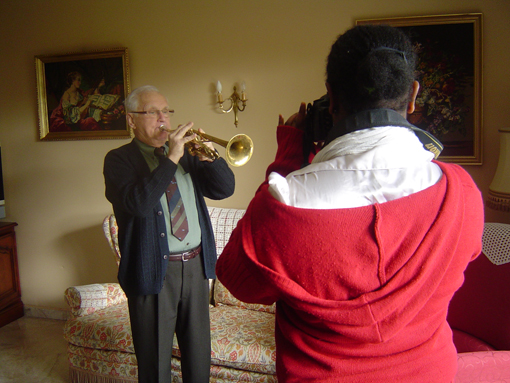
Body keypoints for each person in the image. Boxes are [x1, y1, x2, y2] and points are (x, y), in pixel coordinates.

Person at [216, 25, 484, 382]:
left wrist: (285, 162)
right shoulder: (462, 193)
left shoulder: (285, 204)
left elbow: (238, 280)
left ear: (332, 97)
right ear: (413, 95)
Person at [103, 85, 235, 382]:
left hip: (196, 267)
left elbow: (224, 189)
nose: (163, 119)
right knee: (155, 364)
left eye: (167, 111)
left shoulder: (188, 155)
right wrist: (171, 158)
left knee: (198, 357)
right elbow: (139, 203)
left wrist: (212, 160)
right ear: (131, 120)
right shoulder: (118, 160)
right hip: (152, 272)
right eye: (153, 112)